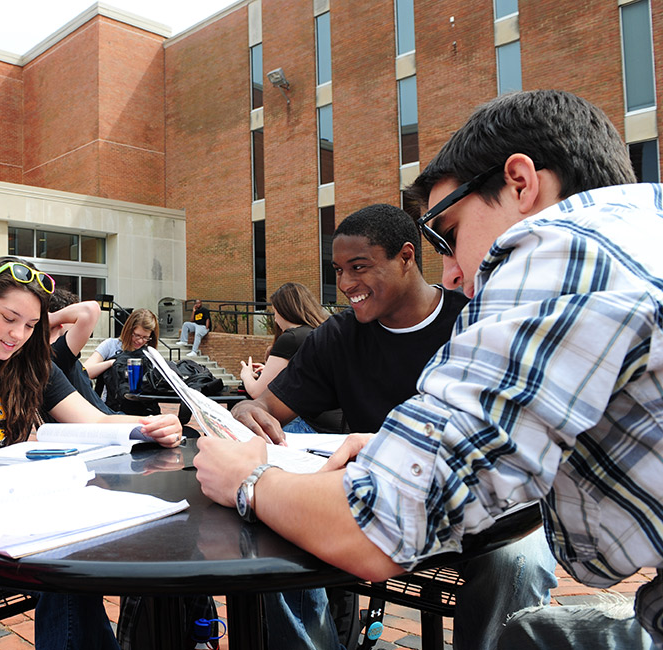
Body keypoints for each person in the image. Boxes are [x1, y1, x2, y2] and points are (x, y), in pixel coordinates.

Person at [196, 89, 663, 647]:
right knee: (532, 636)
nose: (457, 273)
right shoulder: (641, 232)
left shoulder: (562, 253)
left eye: (449, 234)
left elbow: (376, 530)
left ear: (521, 183)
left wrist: (246, 479)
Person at [232, 204, 556, 650]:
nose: (345, 284)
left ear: (406, 257)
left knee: (518, 560)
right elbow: (266, 406)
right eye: (339, 270)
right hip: (372, 503)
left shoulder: (474, 323)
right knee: (273, 533)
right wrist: (248, 413)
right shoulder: (339, 336)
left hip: (472, 504)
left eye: (359, 267)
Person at [0, 256, 183, 650]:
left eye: (30, 325)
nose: (18, 335)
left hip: (17, 517)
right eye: (9, 318)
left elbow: (93, 421)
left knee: (90, 544)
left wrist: (150, 426)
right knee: (65, 557)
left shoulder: (29, 365)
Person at [238, 282, 329, 399]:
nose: (275, 318)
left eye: (274, 312)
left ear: (284, 310)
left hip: (308, 415)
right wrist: (272, 371)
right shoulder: (320, 331)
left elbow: (258, 392)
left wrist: (246, 375)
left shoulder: (291, 338)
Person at [47, 289, 115, 415]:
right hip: (100, 424)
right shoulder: (57, 353)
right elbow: (91, 310)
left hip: (104, 418)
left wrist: (110, 363)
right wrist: (51, 318)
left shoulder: (60, 357)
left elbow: (83, 374)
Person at [83, 307, 159, 380]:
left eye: (145, 337)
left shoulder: (150, 354)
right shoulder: (110, 345)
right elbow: (84, 372)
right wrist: (113, 363)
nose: (140, 341)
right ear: (128, 330)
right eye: (137, 335)